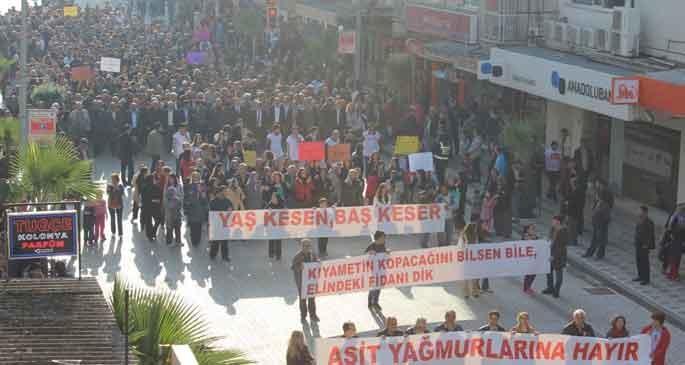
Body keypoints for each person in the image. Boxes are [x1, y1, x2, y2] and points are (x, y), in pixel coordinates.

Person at [291, 239, 319, 322]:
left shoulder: (313, 254)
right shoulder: (297, 256)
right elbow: (293, 267)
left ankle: (313, 315)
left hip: (310, 281)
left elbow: (316, 260)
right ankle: (303, 316)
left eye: (309, 246)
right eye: (305, 246)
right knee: (303, 299)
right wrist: (300, 267)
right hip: (301, 282)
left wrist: (318, 262)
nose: (307, 248)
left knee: (312, 299)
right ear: (301, 246)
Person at [543, 215, 567, 298]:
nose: (552, 222)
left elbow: (561, 246)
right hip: (550, 253)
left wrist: (554, 256)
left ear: (558, 222)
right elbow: (550, 238)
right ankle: (550, 288)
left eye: (553, 221)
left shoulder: (563, 231)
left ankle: (556, 291)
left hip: (559, 256)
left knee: (558, 274)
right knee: (548, 271)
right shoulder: (553, 229)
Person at [184, 171, 209, 247]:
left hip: (200, 210)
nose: (196, 178)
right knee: (193, 227)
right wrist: (185, 207)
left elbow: (205, 199)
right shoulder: (188, 186)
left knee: (199, 227)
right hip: (192, 210)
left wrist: (203, 196)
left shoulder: (203, 186)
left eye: (197, 177)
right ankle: (193, 240)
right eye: (194, 177)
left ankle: (197, 240)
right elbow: (185, 198)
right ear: (192, 177)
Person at [583, 194, 611, 259]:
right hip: (596, 225)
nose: (595, 197)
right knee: (594, 240)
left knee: (601, 241)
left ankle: (599, 255)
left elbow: (607, 218)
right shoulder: (598, 203)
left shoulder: (605, 206)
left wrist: (602, 223)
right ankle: (590, 253)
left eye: (597, 196)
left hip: (601, 226)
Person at [209, 186, 233, 260]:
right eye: (225, 191)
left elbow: (232, 209)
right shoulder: (213, 201)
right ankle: (213, 254)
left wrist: (230, 210)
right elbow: (211, 213)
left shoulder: (228, 201)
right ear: (220, 192)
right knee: (216, 241)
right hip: (216, 224)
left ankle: (225, 256)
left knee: (225, 242)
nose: (226, 193)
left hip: (225, 224)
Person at [366, 230, 387, 311]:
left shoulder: (383, 245)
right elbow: (365, 258)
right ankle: (370, 303)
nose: (384, 239)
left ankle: (376, 302)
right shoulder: (372, 246)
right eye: (383, 238)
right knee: (373, 288)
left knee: (378, 288)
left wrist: (387, 252)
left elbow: (384, 255)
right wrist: (370, 253)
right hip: (373, 272)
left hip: (381, 271)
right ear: (378, 238)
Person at [634, 206, 655, 285]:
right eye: (639, 211)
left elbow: (650, 235)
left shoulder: (649, 222)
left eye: (641, 211)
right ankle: (640, 276)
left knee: (644, 262)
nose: (639, 212)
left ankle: (646, 279)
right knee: (638, 260)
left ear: (645, 212)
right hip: (638, 243)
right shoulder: (639, 219)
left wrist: (646, 244)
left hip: (644, 245)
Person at [459, 223, 480, 298]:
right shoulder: (474, 236)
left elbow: (459, 247)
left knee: (466, 277)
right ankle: (475, 292)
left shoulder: (463, 236)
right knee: (474, 276)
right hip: (472, 258)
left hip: (466, 259)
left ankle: (466, 293)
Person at [164, 175, 183, 247]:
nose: (171, 180)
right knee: (170, 226)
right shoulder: (167, 187)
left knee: (178, 226)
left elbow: (182, 195)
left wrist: (179, 201)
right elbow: (165, 197)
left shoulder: (179, 186)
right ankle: (169, 241)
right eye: (170, 179)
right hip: (170, 209)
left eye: (172, 179)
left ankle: (178, 241)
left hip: (177, 208)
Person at [266, 191, 285, 260]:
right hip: (271, 227)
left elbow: (285, 213)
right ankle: (271, 253)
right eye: (272, 197)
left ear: (277, 198)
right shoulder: (269, 204)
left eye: (274, 198)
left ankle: (278, 255)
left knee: (278, 241)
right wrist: (268, 211)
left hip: (279, 227)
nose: (272, 199)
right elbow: (264, 213)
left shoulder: (281, 205)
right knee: (271, 240)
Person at [522, 224, 539, 294]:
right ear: (528, 230)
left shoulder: (535, 236)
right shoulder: (526, 236)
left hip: (534, 258)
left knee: (533, 274)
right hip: (528, 258)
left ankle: (528, 287)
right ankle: (526, 288)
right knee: (529, 273)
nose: (534, 230)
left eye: (534, 228)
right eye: (532, 229)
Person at [106, 173, 124, 237]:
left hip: (119, 204)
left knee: (119, 219)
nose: (112, 180)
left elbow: (122, 194)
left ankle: (120, 233)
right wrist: (111, 189)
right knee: (113, 219)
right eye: (112, 179)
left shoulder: (120, 186)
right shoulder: (109, 185)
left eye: (114, 179)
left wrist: (116, 188)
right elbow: (108, 193)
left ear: (117, 179)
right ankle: (113, 232)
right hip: (111, 205)